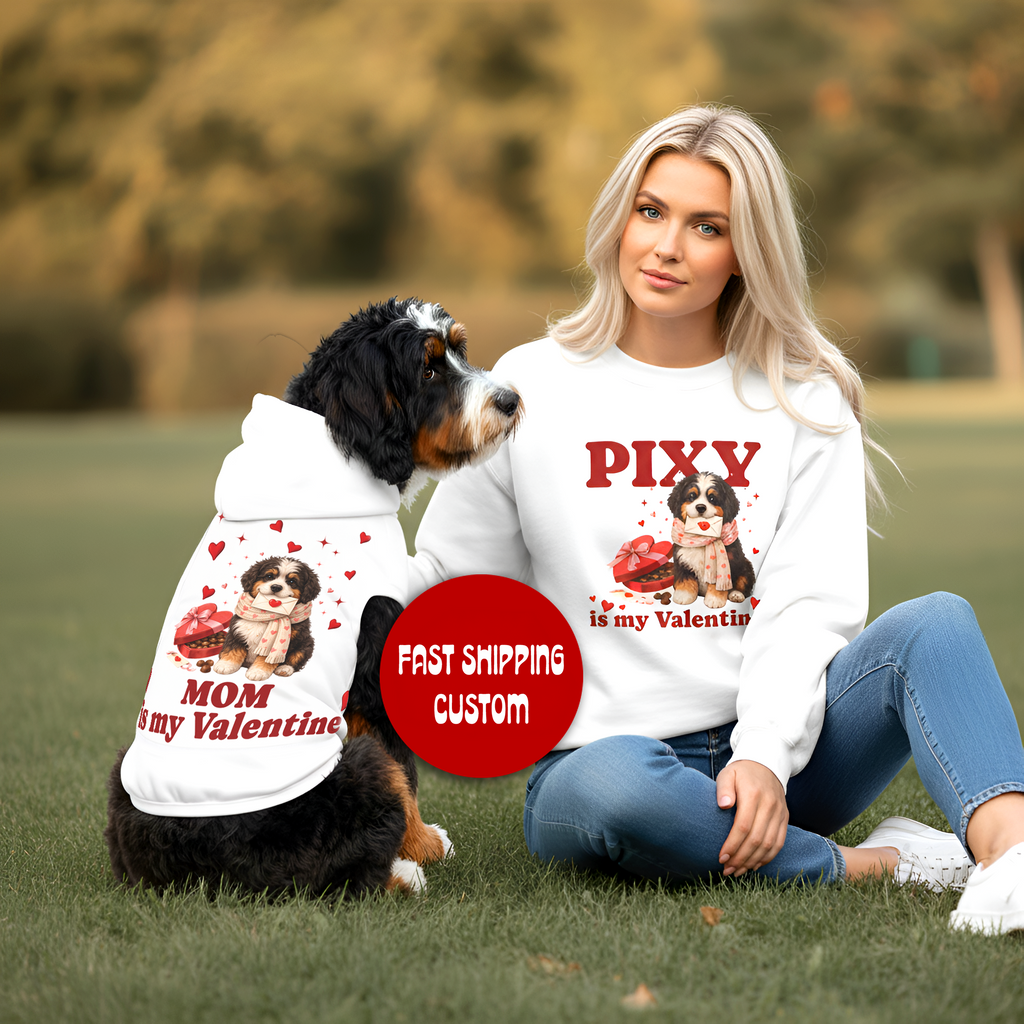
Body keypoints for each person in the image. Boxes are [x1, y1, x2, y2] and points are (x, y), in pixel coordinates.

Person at [408, 106, 1024, 934]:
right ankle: (875, 865)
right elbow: (449, 578)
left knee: (936, 626)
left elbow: (807, 603)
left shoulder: (804, 399)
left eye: (708, 227)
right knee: (614, 786)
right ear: (620, 217)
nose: (666, 246)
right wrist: (325, 576)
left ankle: (1008, 863)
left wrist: (765, 753)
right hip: (597, 764)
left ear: (746, 254)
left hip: (782, 761)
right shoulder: (532, 382)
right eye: (651, 211)